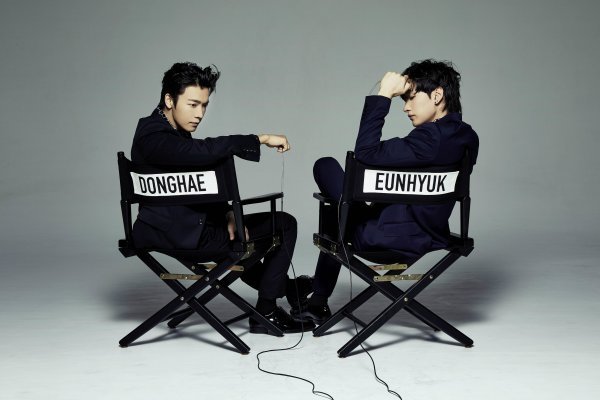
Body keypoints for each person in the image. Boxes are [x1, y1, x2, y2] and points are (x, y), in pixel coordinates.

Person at [130, 62, 314, 334]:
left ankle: (289, 289)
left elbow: (188, 186)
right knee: (284, 225)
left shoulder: (168, 132)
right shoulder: (153, 135)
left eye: (204, 105)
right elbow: (200, 152)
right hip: (182, 235)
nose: (199, 114)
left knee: (244, 235)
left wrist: (227, 212)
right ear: (169, 100)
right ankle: (268, 310)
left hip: (182, 227)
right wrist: (260, 138)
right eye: (193, 104)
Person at [293, 59, 479, 323]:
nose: (405, 107)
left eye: (411, 98)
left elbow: (365, 153)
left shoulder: (428, 139)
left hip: (389, 238)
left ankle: (317, 301)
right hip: (432, 233)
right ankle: (315, 295)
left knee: (326, 172)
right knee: (344, 203)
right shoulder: (467, 137)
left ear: (437, 95)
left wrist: (384, 94)